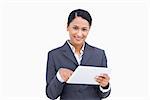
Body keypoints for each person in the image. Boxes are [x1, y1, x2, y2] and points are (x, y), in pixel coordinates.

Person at [46, 9, 111, 100]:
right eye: (75, 28)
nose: (79, 34)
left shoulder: (99, 55)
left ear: (89, 30)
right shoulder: (54, 55)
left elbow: (103, 95)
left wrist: (105, 85)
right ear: (67, 27)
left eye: (84, 29)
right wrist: (59, 77)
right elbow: (51, 95)